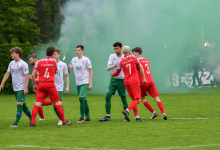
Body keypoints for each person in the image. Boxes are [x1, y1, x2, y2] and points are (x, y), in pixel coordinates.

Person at [30, 46, 71, 127]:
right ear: (52, 54)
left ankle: (32, 123)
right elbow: (55, 72)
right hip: (50, 85)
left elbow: (33, 74)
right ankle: (63, 121)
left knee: (37, 104)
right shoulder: (54, 62)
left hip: (41, 85)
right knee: (57, 103)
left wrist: (34, 85)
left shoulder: (39, 62)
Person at [110, 46, 146, 121]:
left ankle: (137, 117)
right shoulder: (133, 57)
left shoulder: (121, 61)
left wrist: (113, 74)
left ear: (123, 52)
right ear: (129, 51)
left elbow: (117, 72)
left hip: (126, 81)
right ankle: (127, 110)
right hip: (134, 81)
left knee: (133, 99)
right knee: (138, 99)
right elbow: (138, 66)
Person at [132, 47, 167, 120]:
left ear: (137, 53)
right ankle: (163, 113)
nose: (133, 54)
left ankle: (153, 112)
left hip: (143, 81)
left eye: (134, 53)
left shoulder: (136, 61)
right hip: (151, 80)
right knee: (156, 98)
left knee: (142, 99)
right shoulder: (146, 59)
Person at [0, 47, 32, 127]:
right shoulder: (11, 63)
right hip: (15, 88)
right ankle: (32, 119)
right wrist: (2, 83)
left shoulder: (23, 64)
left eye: (13, 53)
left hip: (21, 87)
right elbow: (7, 73)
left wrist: (25, 87)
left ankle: (16, 123)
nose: (11, 55)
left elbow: (26, 76)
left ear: (17, 54)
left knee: (19, 103)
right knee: (23, 105)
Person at [99, 42, 128, 122]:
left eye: (117, 48)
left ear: (121, 48)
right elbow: (107, 68)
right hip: (113, 80)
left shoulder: (124, 57)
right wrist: (114, 65)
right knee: (107, 96)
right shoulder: (112, 56)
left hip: (121, 80)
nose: (116, 50)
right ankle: (108, 116)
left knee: (123, 98)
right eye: (115, 49)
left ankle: (126, 116)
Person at [68, 45, 93, 123]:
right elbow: (69, 70)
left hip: (85, 82)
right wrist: (68, 67)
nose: (77, 51)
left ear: (82, 51)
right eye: (76, 50)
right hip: (78, 83)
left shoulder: (86, 60)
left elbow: (91, 71)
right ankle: (88, 117)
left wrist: (90, 83)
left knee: (81, 98)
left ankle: (82, 118)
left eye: (78, 50)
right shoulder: (74, 59)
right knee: (84, 100)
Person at [29, 54, 52, 121]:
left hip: (41, 86)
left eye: (31, 60)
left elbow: (39, 79)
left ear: (35, 60)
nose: (29, 61)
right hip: (41, 86)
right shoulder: (38, 66)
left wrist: (31, 78)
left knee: (37, 102)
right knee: (37, 102)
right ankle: (42, 117)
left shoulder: (38, 67)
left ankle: (54, 102)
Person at [53, 49, 69, 125]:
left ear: (59, 55)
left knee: (58, 103)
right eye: (53, 54)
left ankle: (61, 120)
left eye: (55, 54)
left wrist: (67, 86)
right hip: (52, 86)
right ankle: (61, 118)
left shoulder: (63, 64)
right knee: (53, 104)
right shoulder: (50, 64)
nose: (54, 55)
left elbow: (66, 76)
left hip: (59, 86)